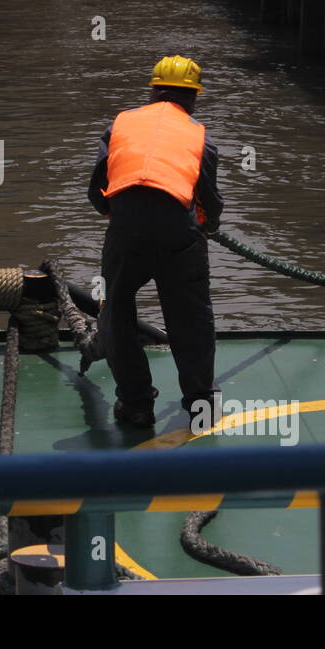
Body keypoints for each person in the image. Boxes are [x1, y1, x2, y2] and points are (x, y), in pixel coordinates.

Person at [87, 55, 223, 430]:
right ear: (194, 97)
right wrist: (207, 225)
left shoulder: (120, 125)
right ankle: (201, 404)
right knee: (190, 317)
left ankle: (135, 405)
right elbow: (210, 203)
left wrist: (123, 215)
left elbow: (97, 194)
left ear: (152, 91)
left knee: (116, 313)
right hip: (180, 235)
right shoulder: (200, 136)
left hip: (126, 232)